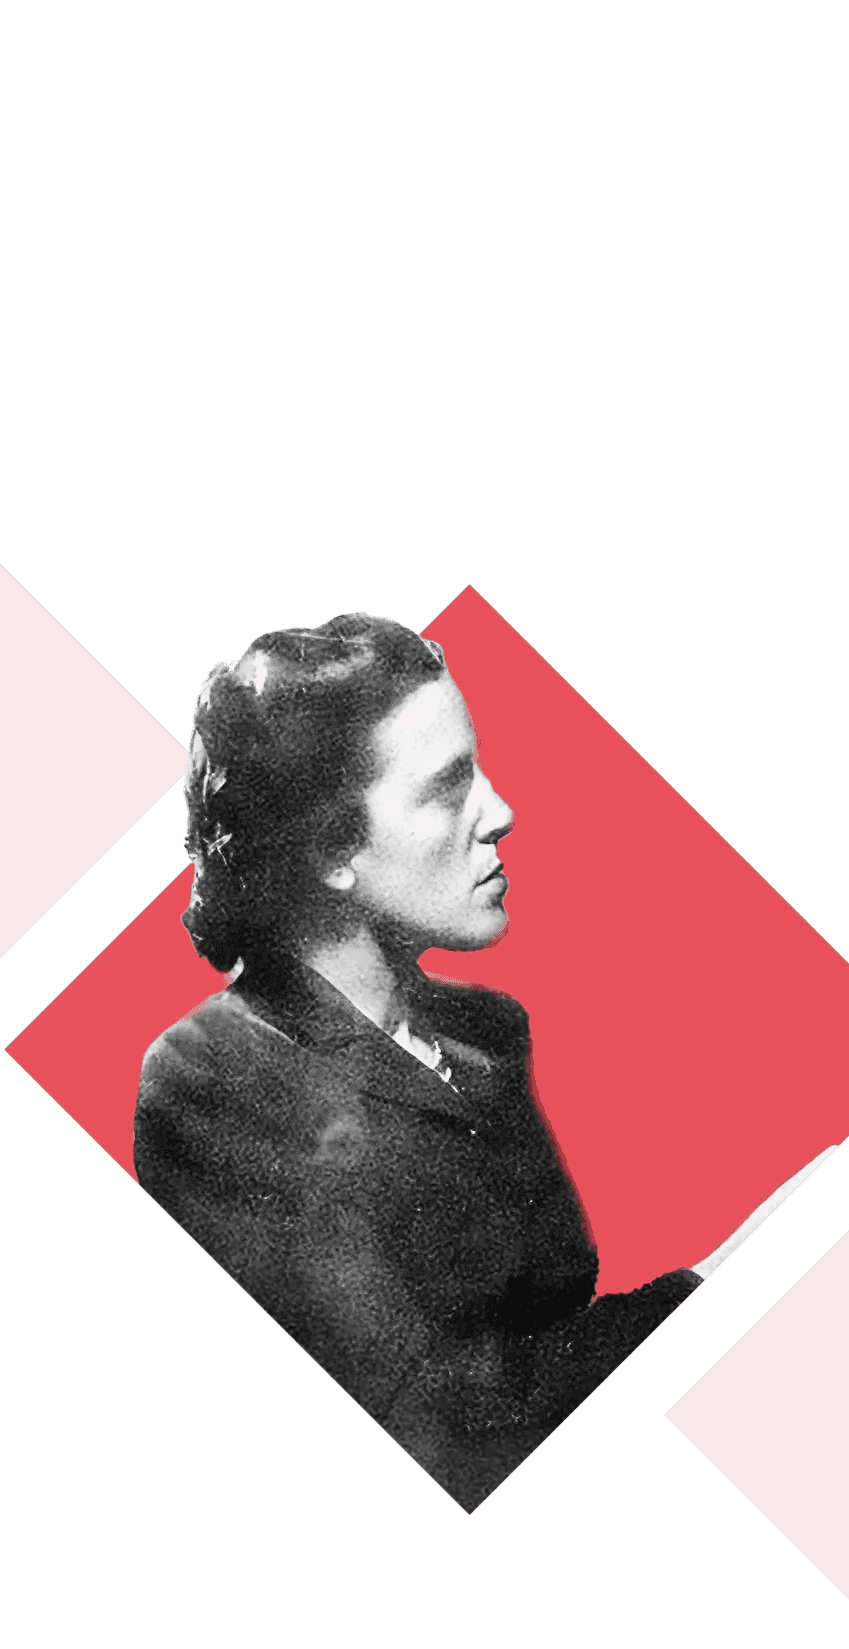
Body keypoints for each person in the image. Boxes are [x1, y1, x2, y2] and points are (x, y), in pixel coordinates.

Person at [132, 614, 692, 1510]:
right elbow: (434, 1429)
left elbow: (555, 1333)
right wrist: (706, 1291)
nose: (499, 814)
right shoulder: (209, 1077)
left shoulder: (487, 1034)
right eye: (448, 787)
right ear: (332, 851)